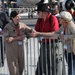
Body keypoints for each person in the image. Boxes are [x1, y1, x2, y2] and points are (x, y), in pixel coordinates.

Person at [32, 11, 75, 75]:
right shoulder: (63, 26)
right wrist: (41, 34)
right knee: (70, 67)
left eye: (60, 18)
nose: (59, 19)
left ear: (64, 19)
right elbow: (55, 33)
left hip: (73, 50)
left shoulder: (71, 25)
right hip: (67, 50)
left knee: (72, 68)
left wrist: (65, 37)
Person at [3, 10, 34, 75]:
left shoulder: (22, 25)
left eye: (20, 16)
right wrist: (17, 38)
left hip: (21, 49)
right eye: (17, 17)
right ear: (12, 18)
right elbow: (6, 39)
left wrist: (32, 32)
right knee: (13, 69)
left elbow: (29, 31)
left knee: (21, 67)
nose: (19, 18)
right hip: (12, 50)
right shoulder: (7, 27)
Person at [34, 3, 59, 75]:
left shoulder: (53, 18)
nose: (37, 14)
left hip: (52, 45)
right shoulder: (40, 20)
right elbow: (36, 31)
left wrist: (39, 34)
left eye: (38, 12)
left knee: (51, 66)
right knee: (41, 65)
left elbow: (54, 34)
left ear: (44, 12)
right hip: (44, 44)